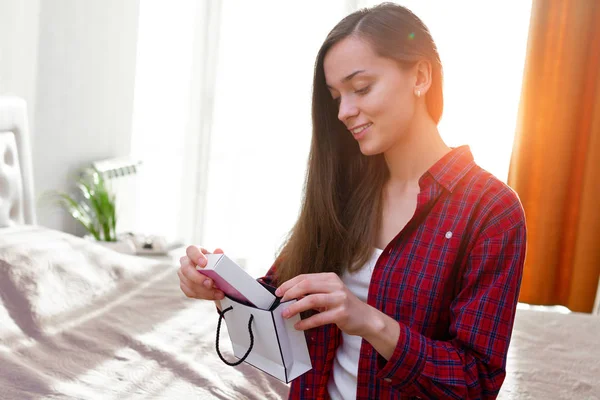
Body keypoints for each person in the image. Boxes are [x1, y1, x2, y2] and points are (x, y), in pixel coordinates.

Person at [177, 3, 526, 399]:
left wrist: (368, 321)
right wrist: (221, 285)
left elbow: (475, 382)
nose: (344, 111)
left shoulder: (491, 211)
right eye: (336, 96)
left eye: (360, 88)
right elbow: (280, 297)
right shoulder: (344, 189)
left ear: (421, 76)